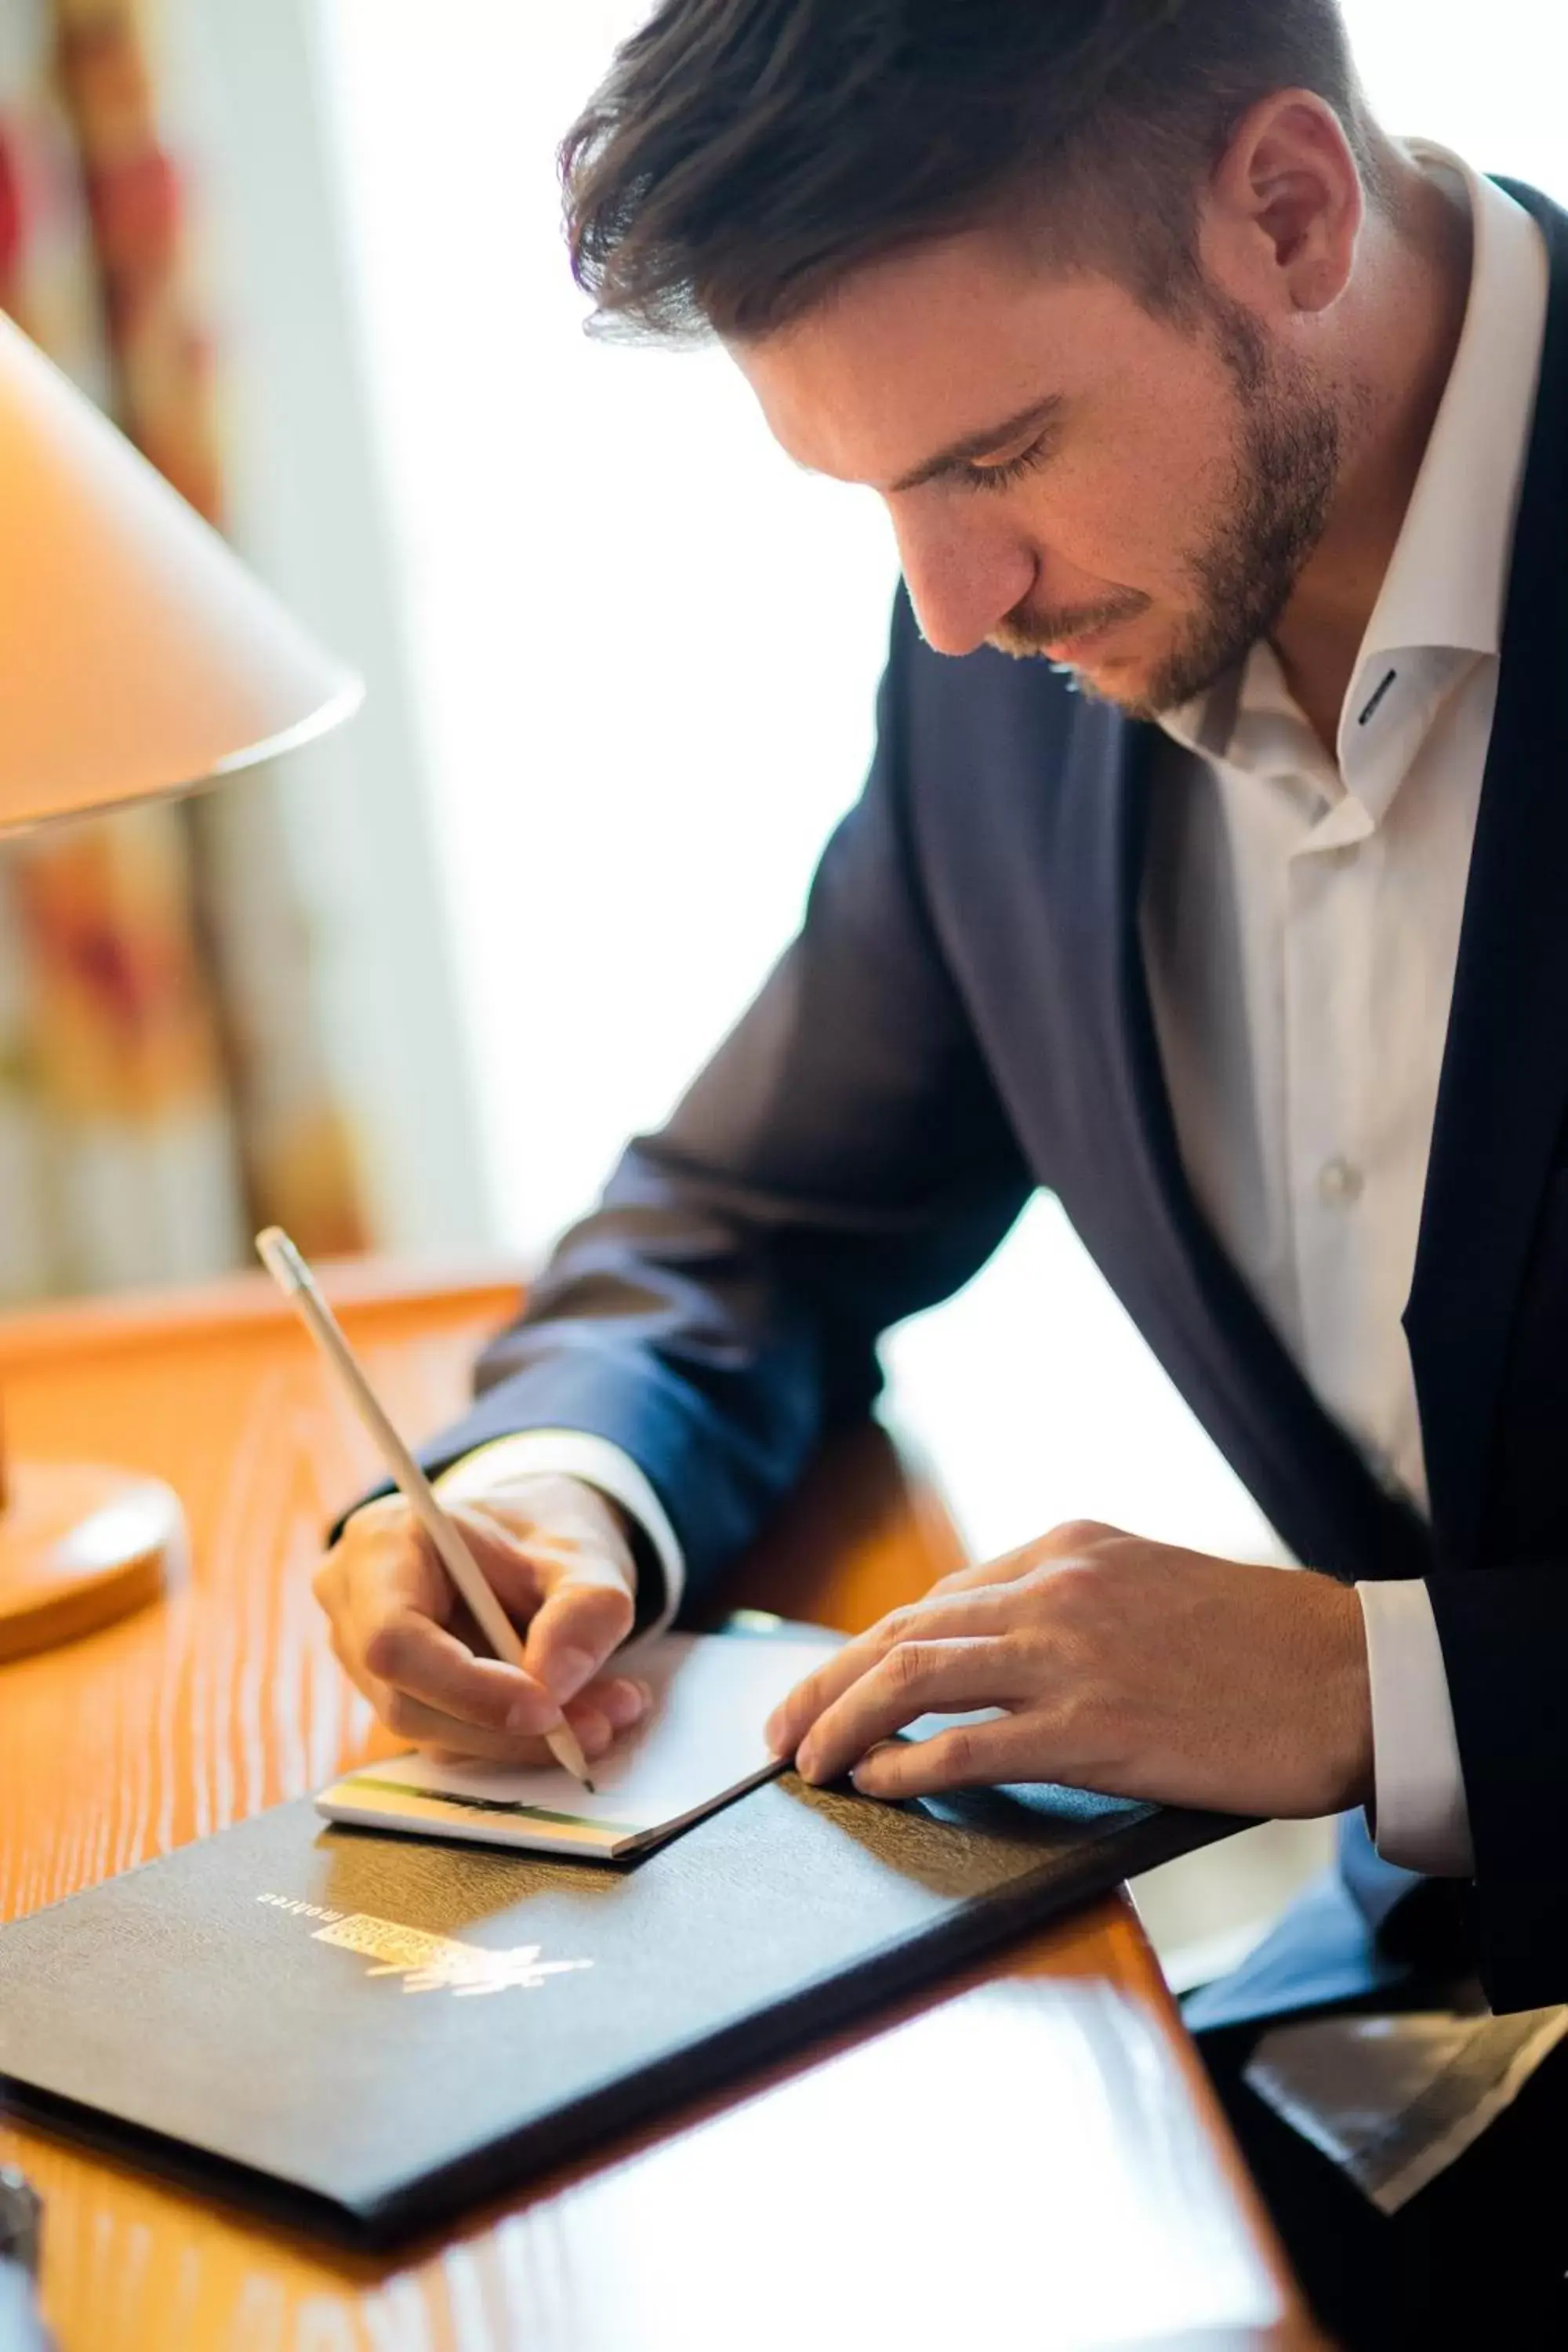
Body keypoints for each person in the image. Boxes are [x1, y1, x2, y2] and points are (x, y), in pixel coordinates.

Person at [314, 3, 1568, 2337]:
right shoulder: (1021, 658)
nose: (947, 603)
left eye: (996, 453)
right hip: (1414, 2043)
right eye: (872, 495)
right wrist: (557, 1489)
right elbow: (756, 1211)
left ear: (1288, 210)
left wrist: (1378, 1689)